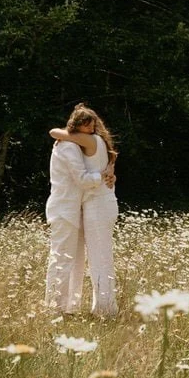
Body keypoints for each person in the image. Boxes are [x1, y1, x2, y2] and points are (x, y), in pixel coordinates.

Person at [44, 105, 118, 316]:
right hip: (70, 208)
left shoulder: (84, 141)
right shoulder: (70, 145)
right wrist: (104, 176)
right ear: (76, 126)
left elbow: (55, 132)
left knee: (95, 259)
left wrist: (106, 177)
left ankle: (100, 309)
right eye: (86, 124)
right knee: (69, 259)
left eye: (92, 123)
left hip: (89, 206)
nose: (90, 127)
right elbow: (84, 178)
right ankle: (60, 309)